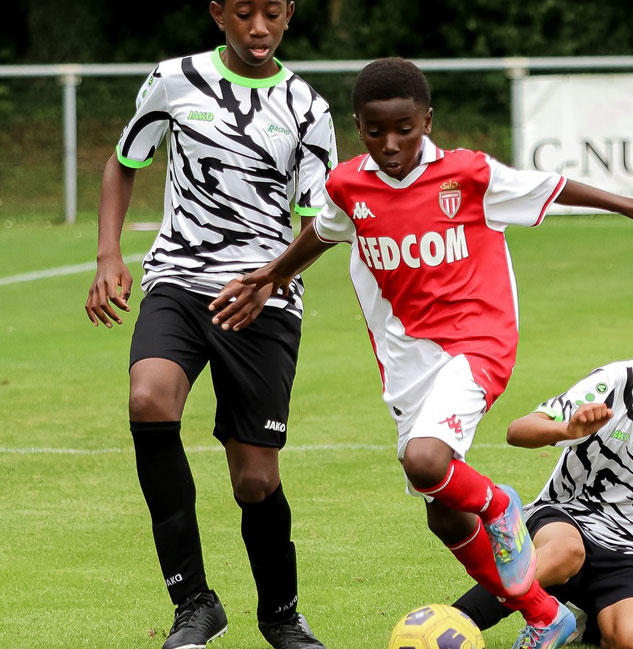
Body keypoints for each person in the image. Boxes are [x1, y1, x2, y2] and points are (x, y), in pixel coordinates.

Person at [206, 57, 633, 649]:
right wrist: (270, 275)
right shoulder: (348, 184)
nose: (390, 144)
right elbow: (326, 230)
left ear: (427, 120)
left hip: (477, 342)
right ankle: (546, 615)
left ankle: (502, 503)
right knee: (442, 512)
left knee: (426, 463)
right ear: (357, 126)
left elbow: (553, 186)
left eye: (405, 129)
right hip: (407, 358)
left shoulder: (468, 175)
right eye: (374, 130)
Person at [82, 2, 336, 648]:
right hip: (179, 280)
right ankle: (193, 602)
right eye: (245, 12)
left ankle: (280, 613)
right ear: (218, 12)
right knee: (149, 397)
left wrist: (272, 280)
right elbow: (123, 160)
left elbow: (321, 223)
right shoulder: (173, 79)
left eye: (272, 13)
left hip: (264, 295)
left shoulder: (308, 108)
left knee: (254, 477)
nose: (258, 27)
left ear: (288, 17)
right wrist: (109, 253)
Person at [452, 292, 633, 649]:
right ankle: (457, 621)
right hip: (566, 519)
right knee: (566, 552)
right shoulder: (616, 382)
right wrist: (565, 430)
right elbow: (518, 431)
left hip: (631, 554)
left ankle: (571, 615)